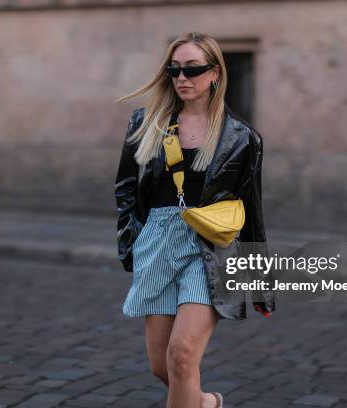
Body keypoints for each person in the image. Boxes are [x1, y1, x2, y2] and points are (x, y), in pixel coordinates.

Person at [114, 31, 276, 408]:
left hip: (212, 249)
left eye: (192, 69)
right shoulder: (147, 123)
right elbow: (124, 187)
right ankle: (204, 403)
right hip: (158, 241)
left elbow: (251, 209)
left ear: (215, 73)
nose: (182, 78)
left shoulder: (241, 138)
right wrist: (131, 242)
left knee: (182, 355)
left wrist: (261, 285)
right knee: (162, 367)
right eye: (174, 70)